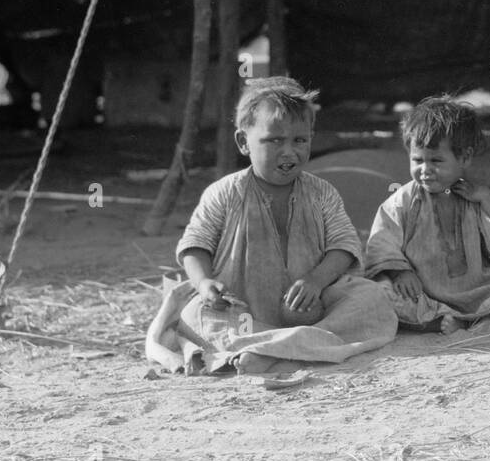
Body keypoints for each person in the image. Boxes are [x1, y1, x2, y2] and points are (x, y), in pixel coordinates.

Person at [162, 77, 397, 373]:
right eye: (274, 140)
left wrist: (315, 281)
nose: (289, 152)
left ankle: (271, 351)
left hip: (316, 306)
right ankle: (292, 348)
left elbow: (344, 246)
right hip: (243, 311)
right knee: (196, 314)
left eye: (299, 140)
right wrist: (205, 283)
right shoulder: (224, 192)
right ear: (242, 142)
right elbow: (195, 245)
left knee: (372, 301)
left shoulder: (322, 192)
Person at [364, 96, 490, 336]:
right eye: (418, 160)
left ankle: (487, 320)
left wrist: (486, 199)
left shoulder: (473, 194)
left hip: (475, 285)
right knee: (381, 292)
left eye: (436, 161)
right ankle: (437, 322)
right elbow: (381, 241)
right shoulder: (404, 200)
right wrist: (400, 271)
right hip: (423, 289)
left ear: (465, 157)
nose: (425, 169)